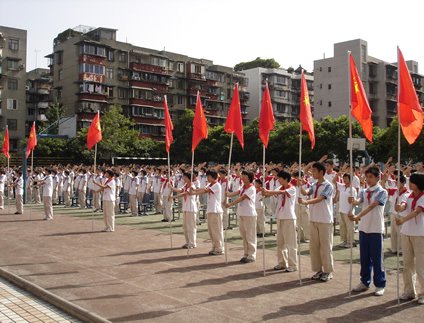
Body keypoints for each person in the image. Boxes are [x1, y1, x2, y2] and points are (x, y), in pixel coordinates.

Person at [348, 166, 388, 296]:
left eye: (371, 177)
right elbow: (360, 201)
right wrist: (353, 201)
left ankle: (380, 284)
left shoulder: (382, 192)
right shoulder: (364, 191)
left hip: (376, 228)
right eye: (367, 177)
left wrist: (358, 216)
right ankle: (364, 281)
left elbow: (372, 206)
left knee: (377, 258)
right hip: (364, 228)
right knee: (364, 257)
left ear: (377, 178)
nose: (368, 179)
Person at [298, 162, 334, 282]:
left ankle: (328, 271)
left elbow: (320, 199)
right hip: (313, 219)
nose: (312, 173)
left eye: (314, 171)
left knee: (325, 246)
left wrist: (306, 202)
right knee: (314, 247)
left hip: (325, 220)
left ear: (321, 172)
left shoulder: (328, 186)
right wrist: (300, 186)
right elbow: (306, 193)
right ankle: (318, 270)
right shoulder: (313, 184)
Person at [395, 173, 424, 304]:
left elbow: (416, 211)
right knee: (407, 264)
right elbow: (403, 205)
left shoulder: (423, 197)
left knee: (421, 265)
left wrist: (402, 220)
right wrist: (398, 207)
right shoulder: (407, 195)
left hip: (420, 234)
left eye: (412, 182)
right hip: (406, 233)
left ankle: (423, 293)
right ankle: (409, 290)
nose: (410, 184)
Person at [263, 171, 298, 272]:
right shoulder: (279, 188)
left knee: (290, 242)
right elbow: (271, 194)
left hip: (289, 217)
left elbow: (282, 193)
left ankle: (293, 264)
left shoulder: (292, 188)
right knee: (280, 242)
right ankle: (282, 262)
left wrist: (270, 192)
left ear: (286, 179)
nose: (278, 180)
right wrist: (264, 192)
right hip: (280, 217)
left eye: (280, 178)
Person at [225, 170, 257, 263]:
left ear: (249, 177)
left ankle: (251, 255)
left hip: (249, 214)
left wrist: (230, 204)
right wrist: (228, 194)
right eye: (242, 175)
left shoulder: (251, 188)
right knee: (244, 235)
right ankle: (246, 253)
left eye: (244, 176)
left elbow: (242, 198)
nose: (242, 177)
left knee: (250, 235)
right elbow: (237, 192)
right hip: (242, 213)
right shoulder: (243, 187)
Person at [192, 170, 224, 255]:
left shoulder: (217, 185)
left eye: (208, 176)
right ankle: (214, 247)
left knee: (216, 230)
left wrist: (194, 193)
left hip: (215, 210)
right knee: (211, 230)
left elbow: (205, 191)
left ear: (213, 177)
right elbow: (203, 189)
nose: (207, 178)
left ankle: (219, 248)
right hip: (211, 210)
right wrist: (194, 191)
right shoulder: (210, 184)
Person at [172, 172, 197, 248]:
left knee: (191, 226)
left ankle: (192, 243)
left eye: (185, 177)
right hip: (186, 207)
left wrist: (173, 197)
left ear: (189, 178)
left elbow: (185, 193)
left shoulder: (192, 186)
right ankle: (187, 242)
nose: (184, 179)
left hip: (191, 208)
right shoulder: (185, 185)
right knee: (185, 226)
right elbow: (180, 190)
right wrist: (172, 188)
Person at [334, 173, 357, 248]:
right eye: (344, 178)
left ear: (350, 179)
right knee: (342, 226)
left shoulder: (352, 189)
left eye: (346, 178)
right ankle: (344, 241)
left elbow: (354, 201)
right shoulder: (341, 186)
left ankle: (350, 242)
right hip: (341, 209)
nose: (344, 180)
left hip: (348, 211)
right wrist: (337, 174)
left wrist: (351, 210)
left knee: (349, 227)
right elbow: (333, 181)